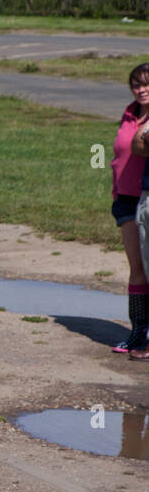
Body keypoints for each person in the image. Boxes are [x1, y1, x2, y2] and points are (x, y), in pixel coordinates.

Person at [112, 62, 149, 357]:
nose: (141, 89)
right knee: (136, 269)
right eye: (136, 84)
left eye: (146, 84)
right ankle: (137, 333)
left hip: (147, 196)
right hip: (126, 199)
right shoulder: (128, 114)